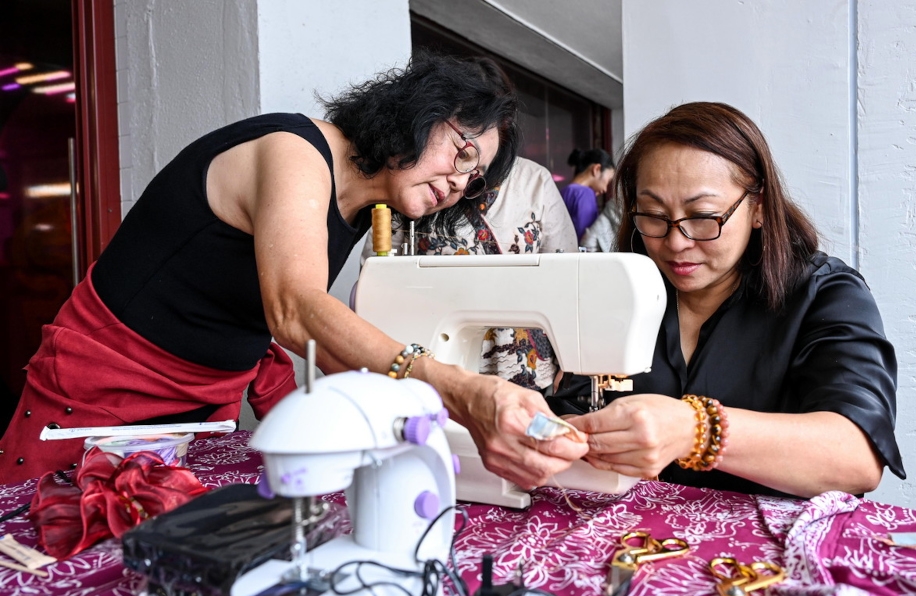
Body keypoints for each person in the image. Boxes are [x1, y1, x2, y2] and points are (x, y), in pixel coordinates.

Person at [0, 52, 589, 487]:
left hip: (201, 417)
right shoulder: (294, 150)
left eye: (475, 177)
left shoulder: (361, 207)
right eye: (462, 154)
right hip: (101, 402)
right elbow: (295, 311)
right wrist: (461, 391)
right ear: (419, 112)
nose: (461, 183)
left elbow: (322, 343)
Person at [551, 102, 904, 499]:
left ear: (758, 207)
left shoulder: (824, 294)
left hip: (767, 553)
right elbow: (574, 409)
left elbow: (856, 456)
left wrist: (695, 429)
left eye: (703, 216)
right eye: (652, 214)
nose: (676, 242)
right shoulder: (621, 292)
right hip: (632, 542)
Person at [361, 156, 577, 391]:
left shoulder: (534, 181)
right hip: (432, 369)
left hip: (526, 373)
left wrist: (572, 358)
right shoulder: (421, 172)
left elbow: (567, 278)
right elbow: (376, 277)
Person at [561, 148, 615, 241]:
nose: (605, 189)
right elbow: (585, 238)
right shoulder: (585, 194)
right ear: (596, 169)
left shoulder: (563, 191)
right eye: (608, 181)